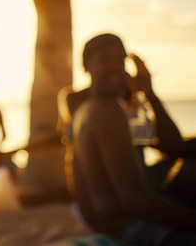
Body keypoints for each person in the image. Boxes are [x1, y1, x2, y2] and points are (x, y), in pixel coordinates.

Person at [69, 33, 196, 245]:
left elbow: (173, 147)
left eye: (120, 59)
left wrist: (149, 94)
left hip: (114, 219)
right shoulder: (106, 110)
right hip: (127, 225)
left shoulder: (100, 106)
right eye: (104, 59)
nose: (115, 66)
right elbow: (133, 200)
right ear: (86, 67)